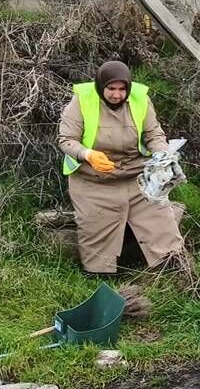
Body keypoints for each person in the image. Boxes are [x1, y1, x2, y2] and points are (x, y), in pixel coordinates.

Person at [58, 61, 186, 275]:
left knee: (160, 221)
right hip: (93, 181)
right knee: (96, 229)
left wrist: (161, 154)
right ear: (101, 86)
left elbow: (154, 133)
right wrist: (87, 154)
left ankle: (170, 269)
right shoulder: (82, 100)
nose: (117, 95)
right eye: (111, 89)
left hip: (136, 178)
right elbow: (66, 139)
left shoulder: (140, 99)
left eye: (121, 89)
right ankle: (99, 275)